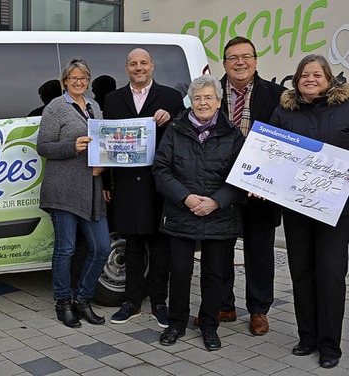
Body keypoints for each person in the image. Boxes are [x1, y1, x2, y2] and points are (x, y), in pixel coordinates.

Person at [152, 74, 244, 351]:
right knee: (179, 271)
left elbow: (240, 177)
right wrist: (187, 198)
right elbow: (161, 170)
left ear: (218, 101)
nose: (202, 103)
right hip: (182, 211)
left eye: (208, 97)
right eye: (197, 98)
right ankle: (176, 323)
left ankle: (209, 325)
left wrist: (216, 202)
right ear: (190, 101)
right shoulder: (176, 130)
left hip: (219, 215)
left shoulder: (233, 134)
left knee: (215, 274)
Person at [270, 54, 349, 369]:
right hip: (297, 209)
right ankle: (307, 337)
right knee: (301, 273)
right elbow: (268, 154)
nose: (311, 79)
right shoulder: (284, 112)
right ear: (296, 79)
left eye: (317, 74)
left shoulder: (345, 109)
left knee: (330, 275)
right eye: (305, 74)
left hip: (336, 210)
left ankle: (330, 345)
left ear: (328, 79)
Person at [103, 48, 185, 328]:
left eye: (143, 63)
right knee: (133, 246)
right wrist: (105, 183)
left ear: (152, 66)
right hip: (126, 184)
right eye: (133, 64)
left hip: (160, 185)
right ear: (126, 68)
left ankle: (159, 302)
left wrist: (172, 119)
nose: (139, 68)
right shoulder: (113, 100)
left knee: (161, 248)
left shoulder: (172, 98)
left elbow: (186, 133)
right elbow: (105, 144)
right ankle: (132, 302)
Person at [216, 36, 285, 336]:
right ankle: (224, 304)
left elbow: (287, 142)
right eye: (233, 57)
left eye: (246, 56)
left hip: (262, 188)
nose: (240, 62)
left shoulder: (278, 95)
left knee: (260, 251)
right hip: (219, 186)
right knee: (219, 249)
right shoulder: (210, 91)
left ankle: (258, 310)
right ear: (224, 63)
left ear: (256, 61)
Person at [37, 58, 110, 328]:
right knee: (65, 249)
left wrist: (103, 163)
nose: (78, 82)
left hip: (91, 187)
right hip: (64, 188)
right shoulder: (55, 108)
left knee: (101, 247)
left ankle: (83, 299)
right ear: (65, 81)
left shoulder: (94, 106)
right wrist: (72, 146)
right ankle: (63, 303)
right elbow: (43, 147)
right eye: (73, 78)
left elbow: (103, 141)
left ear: (88, 81)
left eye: (83, 78)